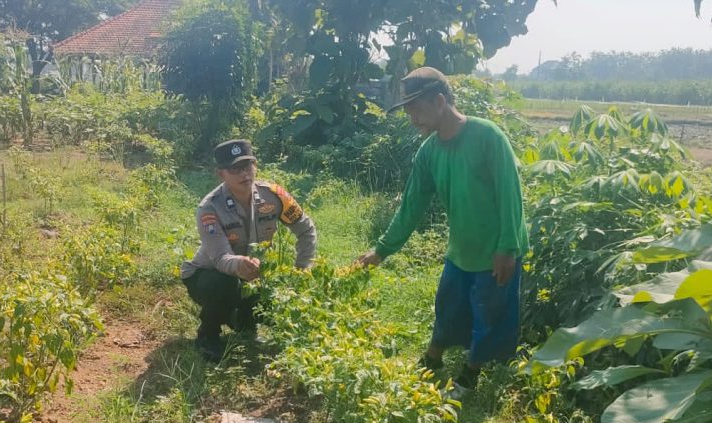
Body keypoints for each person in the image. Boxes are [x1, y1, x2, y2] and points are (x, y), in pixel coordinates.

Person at [357, 67, 528, 396]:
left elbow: (511, 194)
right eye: (408, 113)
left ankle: (470, 375)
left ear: (439, 101)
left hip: (496, 251)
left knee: (488, 313)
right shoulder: (429, 152)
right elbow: (411, 207)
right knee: (448, 306)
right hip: (461, 249)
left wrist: (508, 246)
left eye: (416, 110)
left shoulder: (488, 136)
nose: (413, 120)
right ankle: (432, 360)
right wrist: (382, 250)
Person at [181, 139, 317, 361]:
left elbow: (306, 230)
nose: (244, 174)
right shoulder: (209, 207)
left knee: (274, 301)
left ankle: (242, 322)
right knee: (223, 284)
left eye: (248, 166)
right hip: (208, 275)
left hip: (254, 275)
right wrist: (240, 264)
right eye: (235, 169)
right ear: (221, 174)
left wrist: (302, 269)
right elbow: (220, 258)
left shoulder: (274, 195)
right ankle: (208, 335)